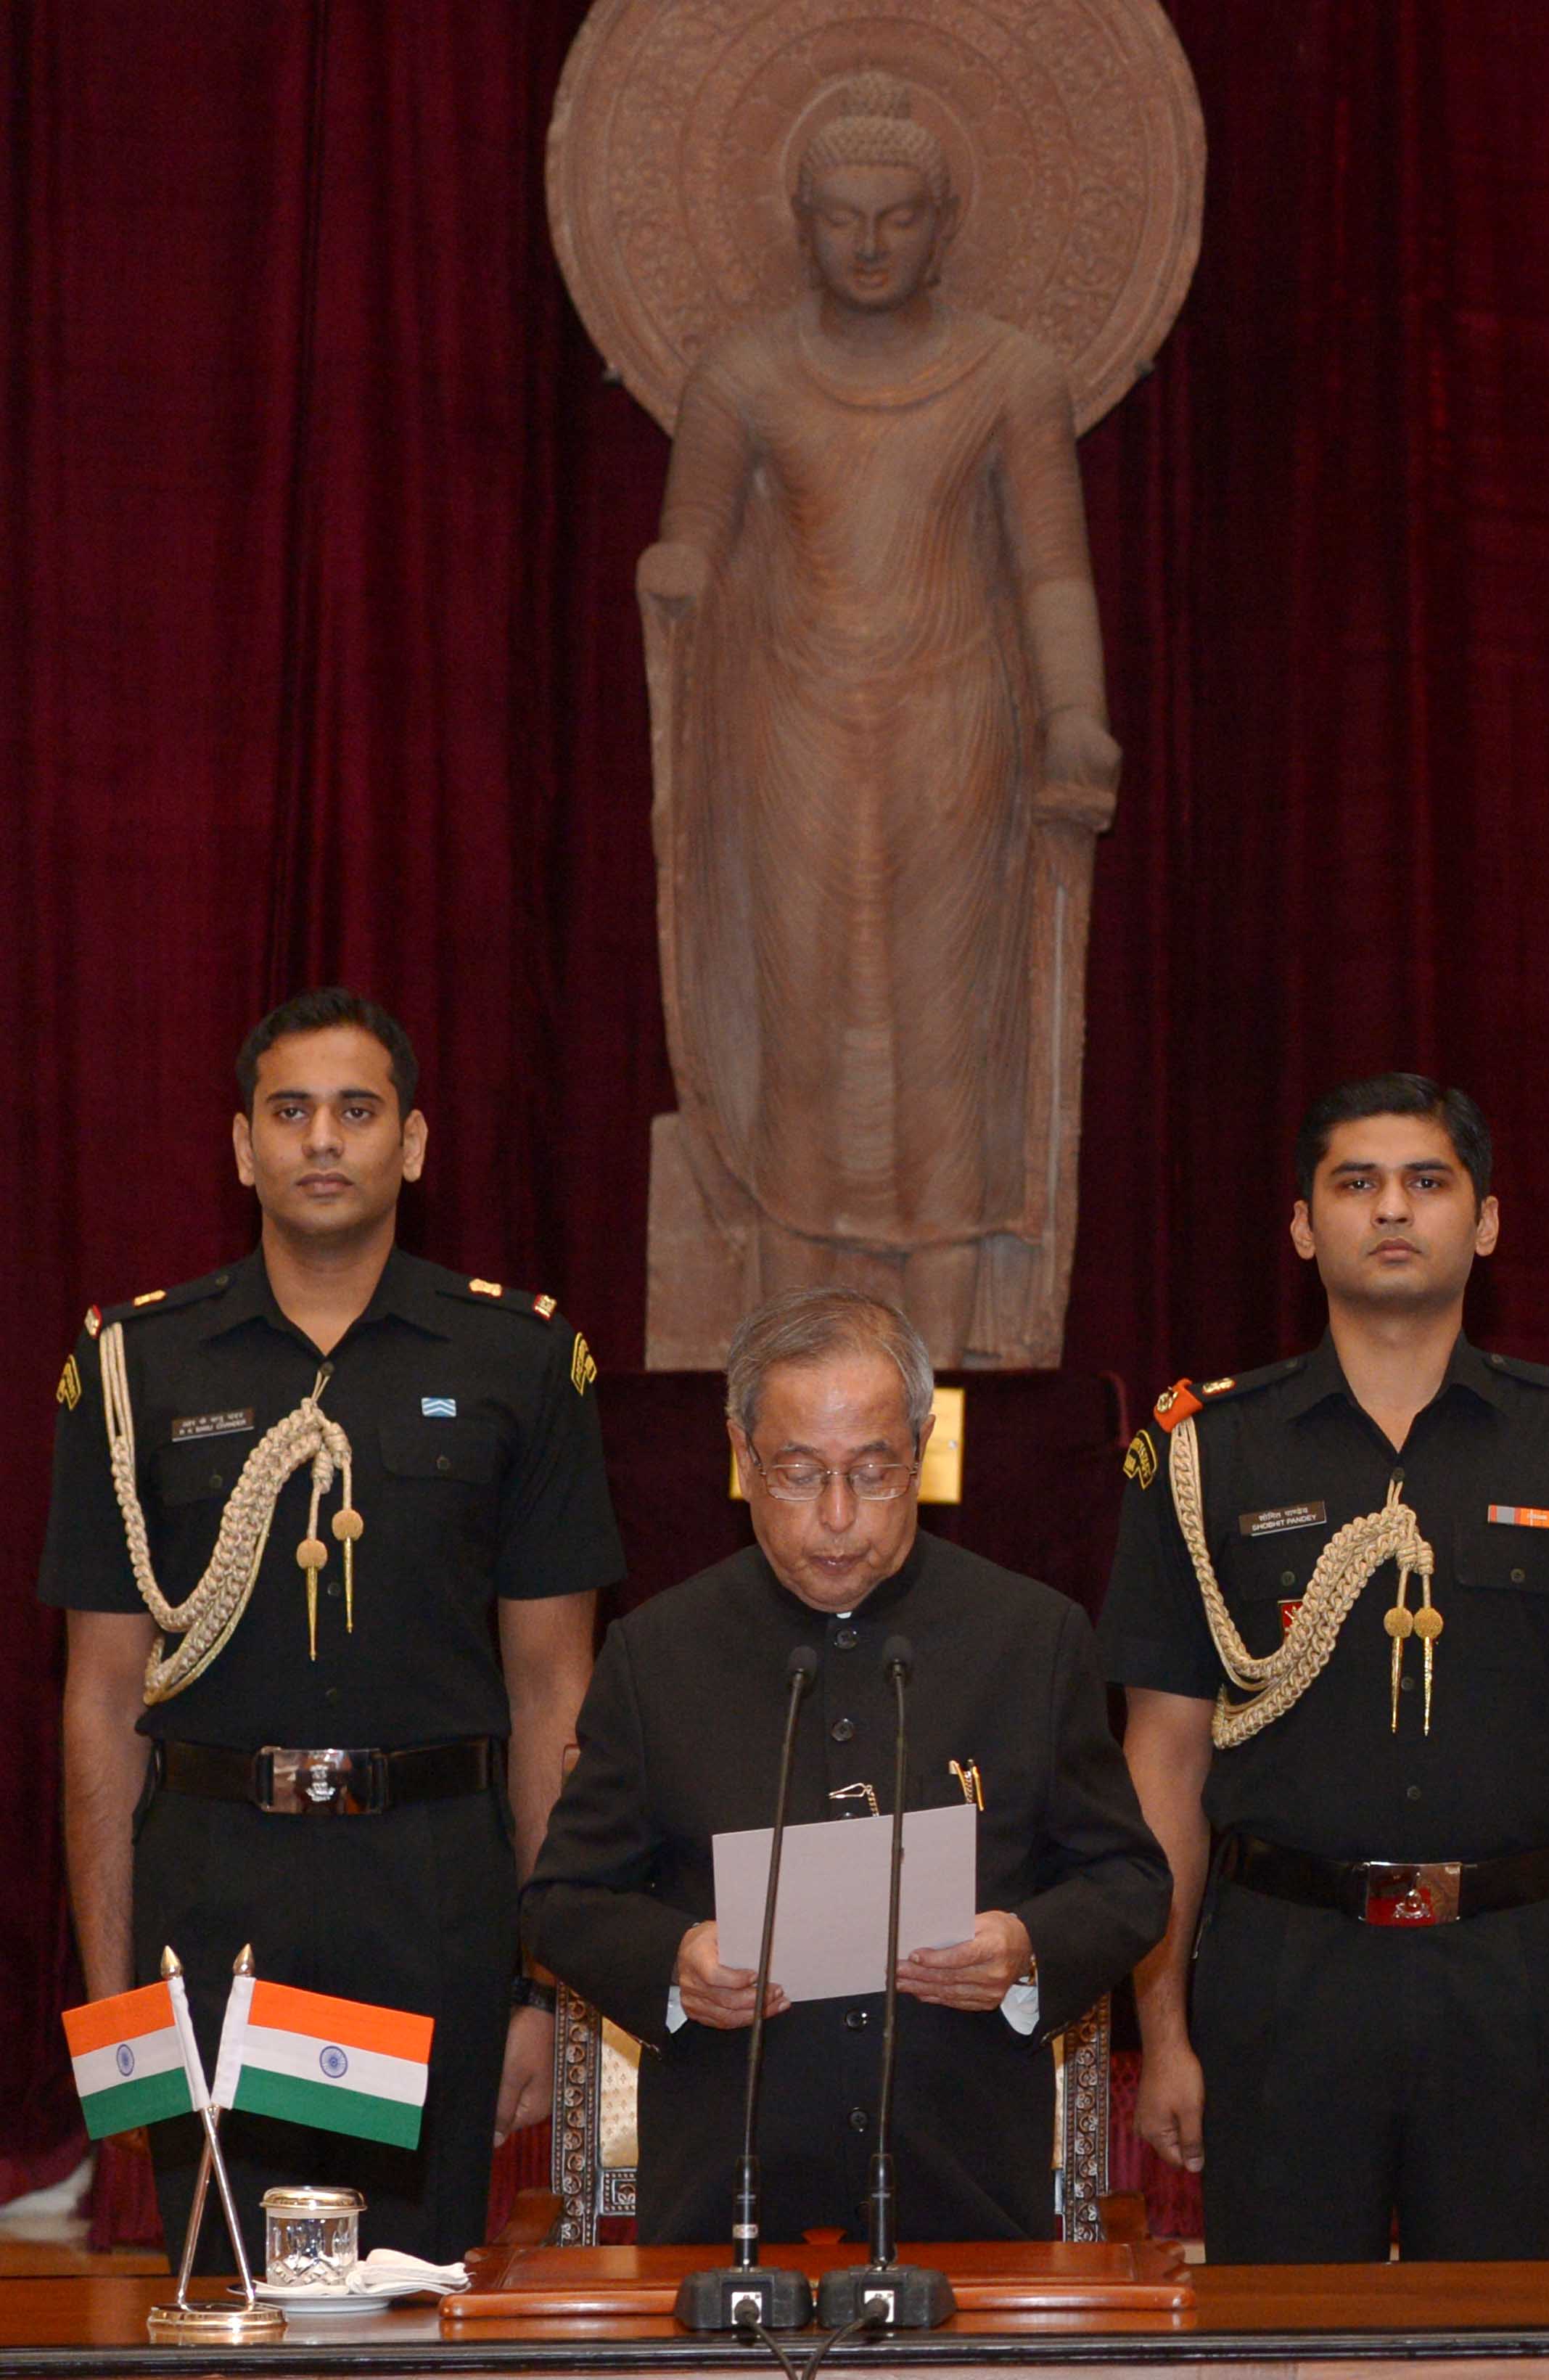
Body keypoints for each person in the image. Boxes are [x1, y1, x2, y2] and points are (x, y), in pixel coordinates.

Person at [43, 989, 622, 2262]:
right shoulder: (137, 1369)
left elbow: (552, 1702)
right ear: (241, 1147)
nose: (321, 1141)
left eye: (356, 1112)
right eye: (288, 1111)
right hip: (214, 1897)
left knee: (413, 2295)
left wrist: (544, 1988)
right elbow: (98, 1701)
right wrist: (112, 1998)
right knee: (229, 2296)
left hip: (433, 1899)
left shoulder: (515, 1360)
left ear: (410, 1145)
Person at [1103, 1075, 1549, 2264]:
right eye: (1356, 1184)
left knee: (1507, 2343)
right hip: (1281, 1972)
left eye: (1427, 1182)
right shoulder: (1202, 1457)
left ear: (1483, 1221)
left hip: (1514, 1971)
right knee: (1277, 2346)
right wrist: (1162, 2028)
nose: (1393, 1210)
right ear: (1300, 1224)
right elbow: (1160, 1761)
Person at [640, 71, 1120, 1368]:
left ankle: (956, 1370)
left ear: (943, 221)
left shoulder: (1011, 375)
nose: (866, 245)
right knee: (797, 1037)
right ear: (798, 221)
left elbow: (1050, 572)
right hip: (788, 735)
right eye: (841, 218)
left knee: (948, 1042)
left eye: (896, 218)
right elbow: (688, 543)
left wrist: (1074, 713)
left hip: (956, 737)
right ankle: (790, 1365)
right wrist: (676, 576)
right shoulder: (739, 374)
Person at [524, 1288, 1168, 2244]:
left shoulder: (1031, 1639)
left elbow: (1129, 1883)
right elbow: (562, 1901)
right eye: (798, 1474)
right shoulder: (657, 1655)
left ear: (921, 1450)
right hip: (723, 2194)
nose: (837, 1518)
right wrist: (674, 1964)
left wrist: (1024, 1947)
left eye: (872, 1473)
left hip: (970, 2187)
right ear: (743, 1457)